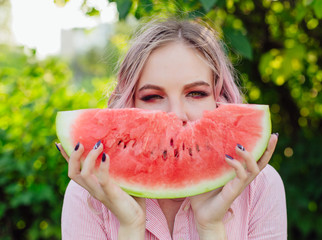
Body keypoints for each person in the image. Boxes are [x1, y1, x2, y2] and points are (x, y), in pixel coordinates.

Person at [56, 18, 287, 240]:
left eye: (196, 93)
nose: (176, 114)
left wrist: (211, 227)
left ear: (219, 97)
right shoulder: (89, 194)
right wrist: (131, 226)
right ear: (130, 105)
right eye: (153, 96)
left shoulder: (260, 187)